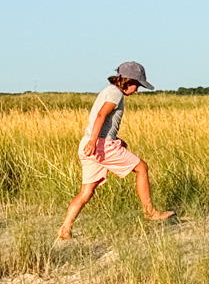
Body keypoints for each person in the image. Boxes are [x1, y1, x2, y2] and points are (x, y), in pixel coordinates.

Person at [57, 61, 173, 240]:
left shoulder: (107, 91)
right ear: (128, 81)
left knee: (86, 192)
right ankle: (149, 212)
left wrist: (113, 139)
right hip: (100, 145)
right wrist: (97, 141)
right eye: (137, 85)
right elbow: (101, 115)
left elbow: (104, 122)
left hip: (88, 144)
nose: (137, 90)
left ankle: (65, 228)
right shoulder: (116, 94)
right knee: (142, 168)